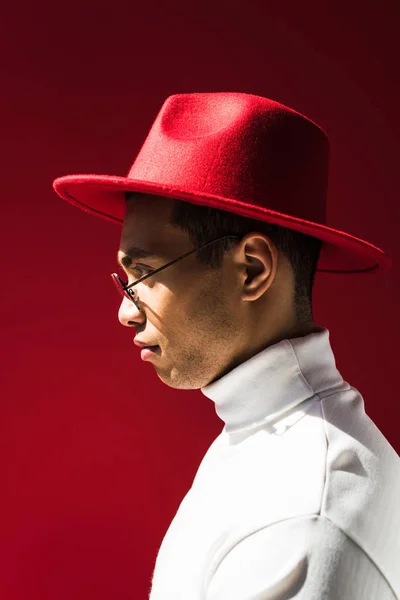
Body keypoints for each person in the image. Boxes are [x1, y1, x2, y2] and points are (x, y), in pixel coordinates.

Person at [53, 92, 400, 599]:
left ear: (252, 269)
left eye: (145, 274)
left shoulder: (301, 515)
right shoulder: (266, 441)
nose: (125, 311)